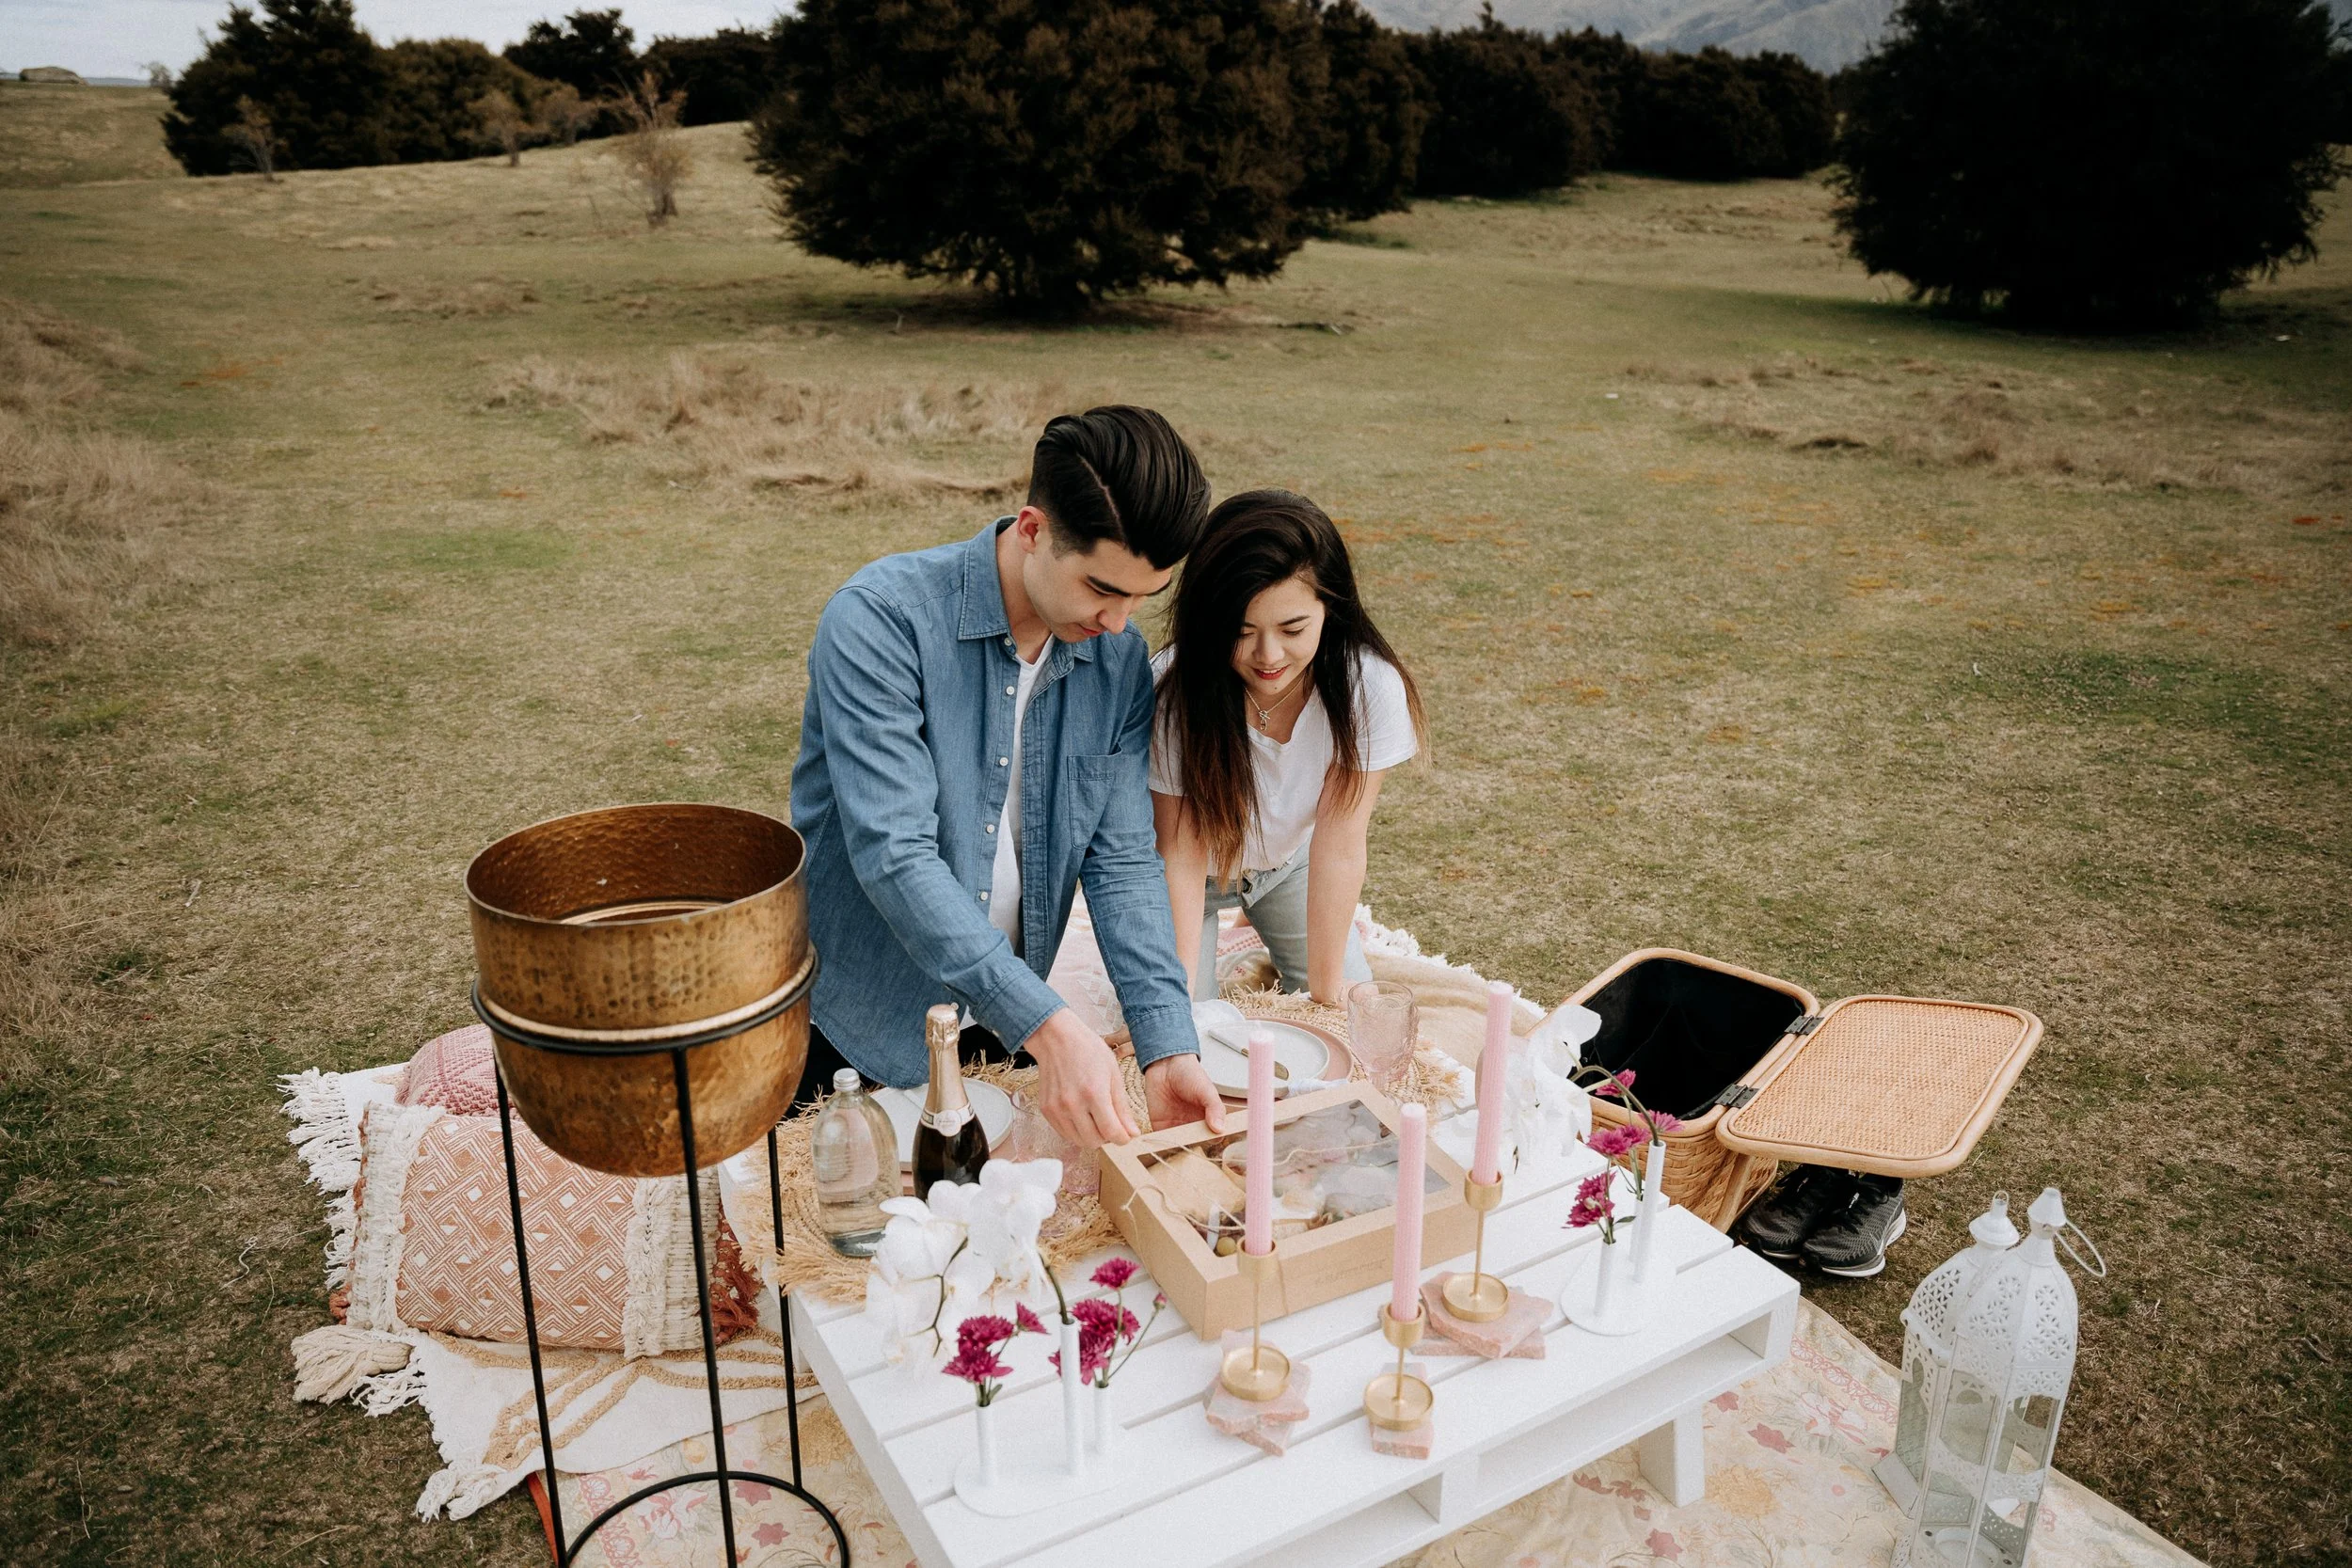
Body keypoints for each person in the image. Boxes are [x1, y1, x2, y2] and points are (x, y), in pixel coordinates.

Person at [790, 406, 1227, 1148]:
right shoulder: (878, 621)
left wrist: (1167, 1045)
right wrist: (1051, 1025)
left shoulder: (1117, 663)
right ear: (1031, 528)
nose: (1120, 623)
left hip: (998, 1021)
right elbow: (895, 857)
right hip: (850, 1032)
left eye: (1140, 598)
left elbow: (1122, 860)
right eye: (1101, 588)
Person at [1151, 489, 1424, 1006]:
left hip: (1288, 868)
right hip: (1186, 880)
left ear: (1331, 607)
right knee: (1185, 1027)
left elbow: (1340, 844)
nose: (1268, 655)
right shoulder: (1173, 687)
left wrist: (1326, 994)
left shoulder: (1368, 686)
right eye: (1242, 631)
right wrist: (1176, 1000)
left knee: (1349, 1008)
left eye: (1293, 628)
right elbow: (1179, 856)